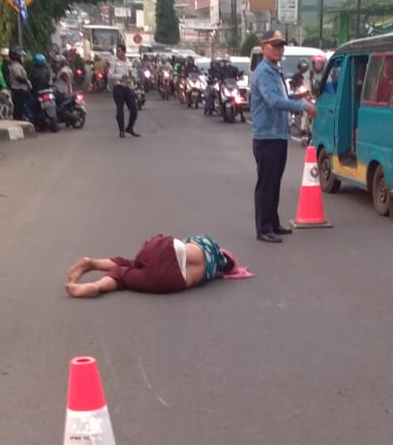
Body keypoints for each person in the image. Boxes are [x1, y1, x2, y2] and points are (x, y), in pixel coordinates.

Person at [249, 29, 316, 242]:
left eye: (280, 45)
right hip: (266, 136)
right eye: (274, 45)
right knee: (267, 183)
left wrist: (300, 97)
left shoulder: (275, 71)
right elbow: (274, 101)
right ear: (263, 47)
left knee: (274, 182)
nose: (279, 49)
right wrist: (302, 105)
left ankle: (273, 222)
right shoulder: (264, 72)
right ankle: (263, 228)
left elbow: (282, 97)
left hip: (277, 135)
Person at [65, 234, 250, 296]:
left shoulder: (206, 242)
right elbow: (232, 270)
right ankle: (95, 286)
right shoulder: (210, 273)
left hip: (165, 246)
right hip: (171, 278)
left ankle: (92, 263)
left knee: (131, 262)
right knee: (122, 275)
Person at [108, 44, 139, 138]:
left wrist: (133, 75)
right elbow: (110, 75)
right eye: (117, 51)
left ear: (124, 52)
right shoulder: (114, 62)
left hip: (128, 87)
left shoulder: (129, 62)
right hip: (119, 88)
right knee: (120, 110)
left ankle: (129, 127)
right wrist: (121, 76)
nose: (118, 53)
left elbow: (134, 73)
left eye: (119, 51)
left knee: (134, 109)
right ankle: (121, 130)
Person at [7, 48, 31, 121]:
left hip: (20, 89)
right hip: (18, 89)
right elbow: (18, 77)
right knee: (19, 107)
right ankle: (18, 120)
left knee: (21, 106)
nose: (23, 59)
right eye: (22, 57)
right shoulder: (16, 66)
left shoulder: (17, 65)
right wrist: (27, 81)